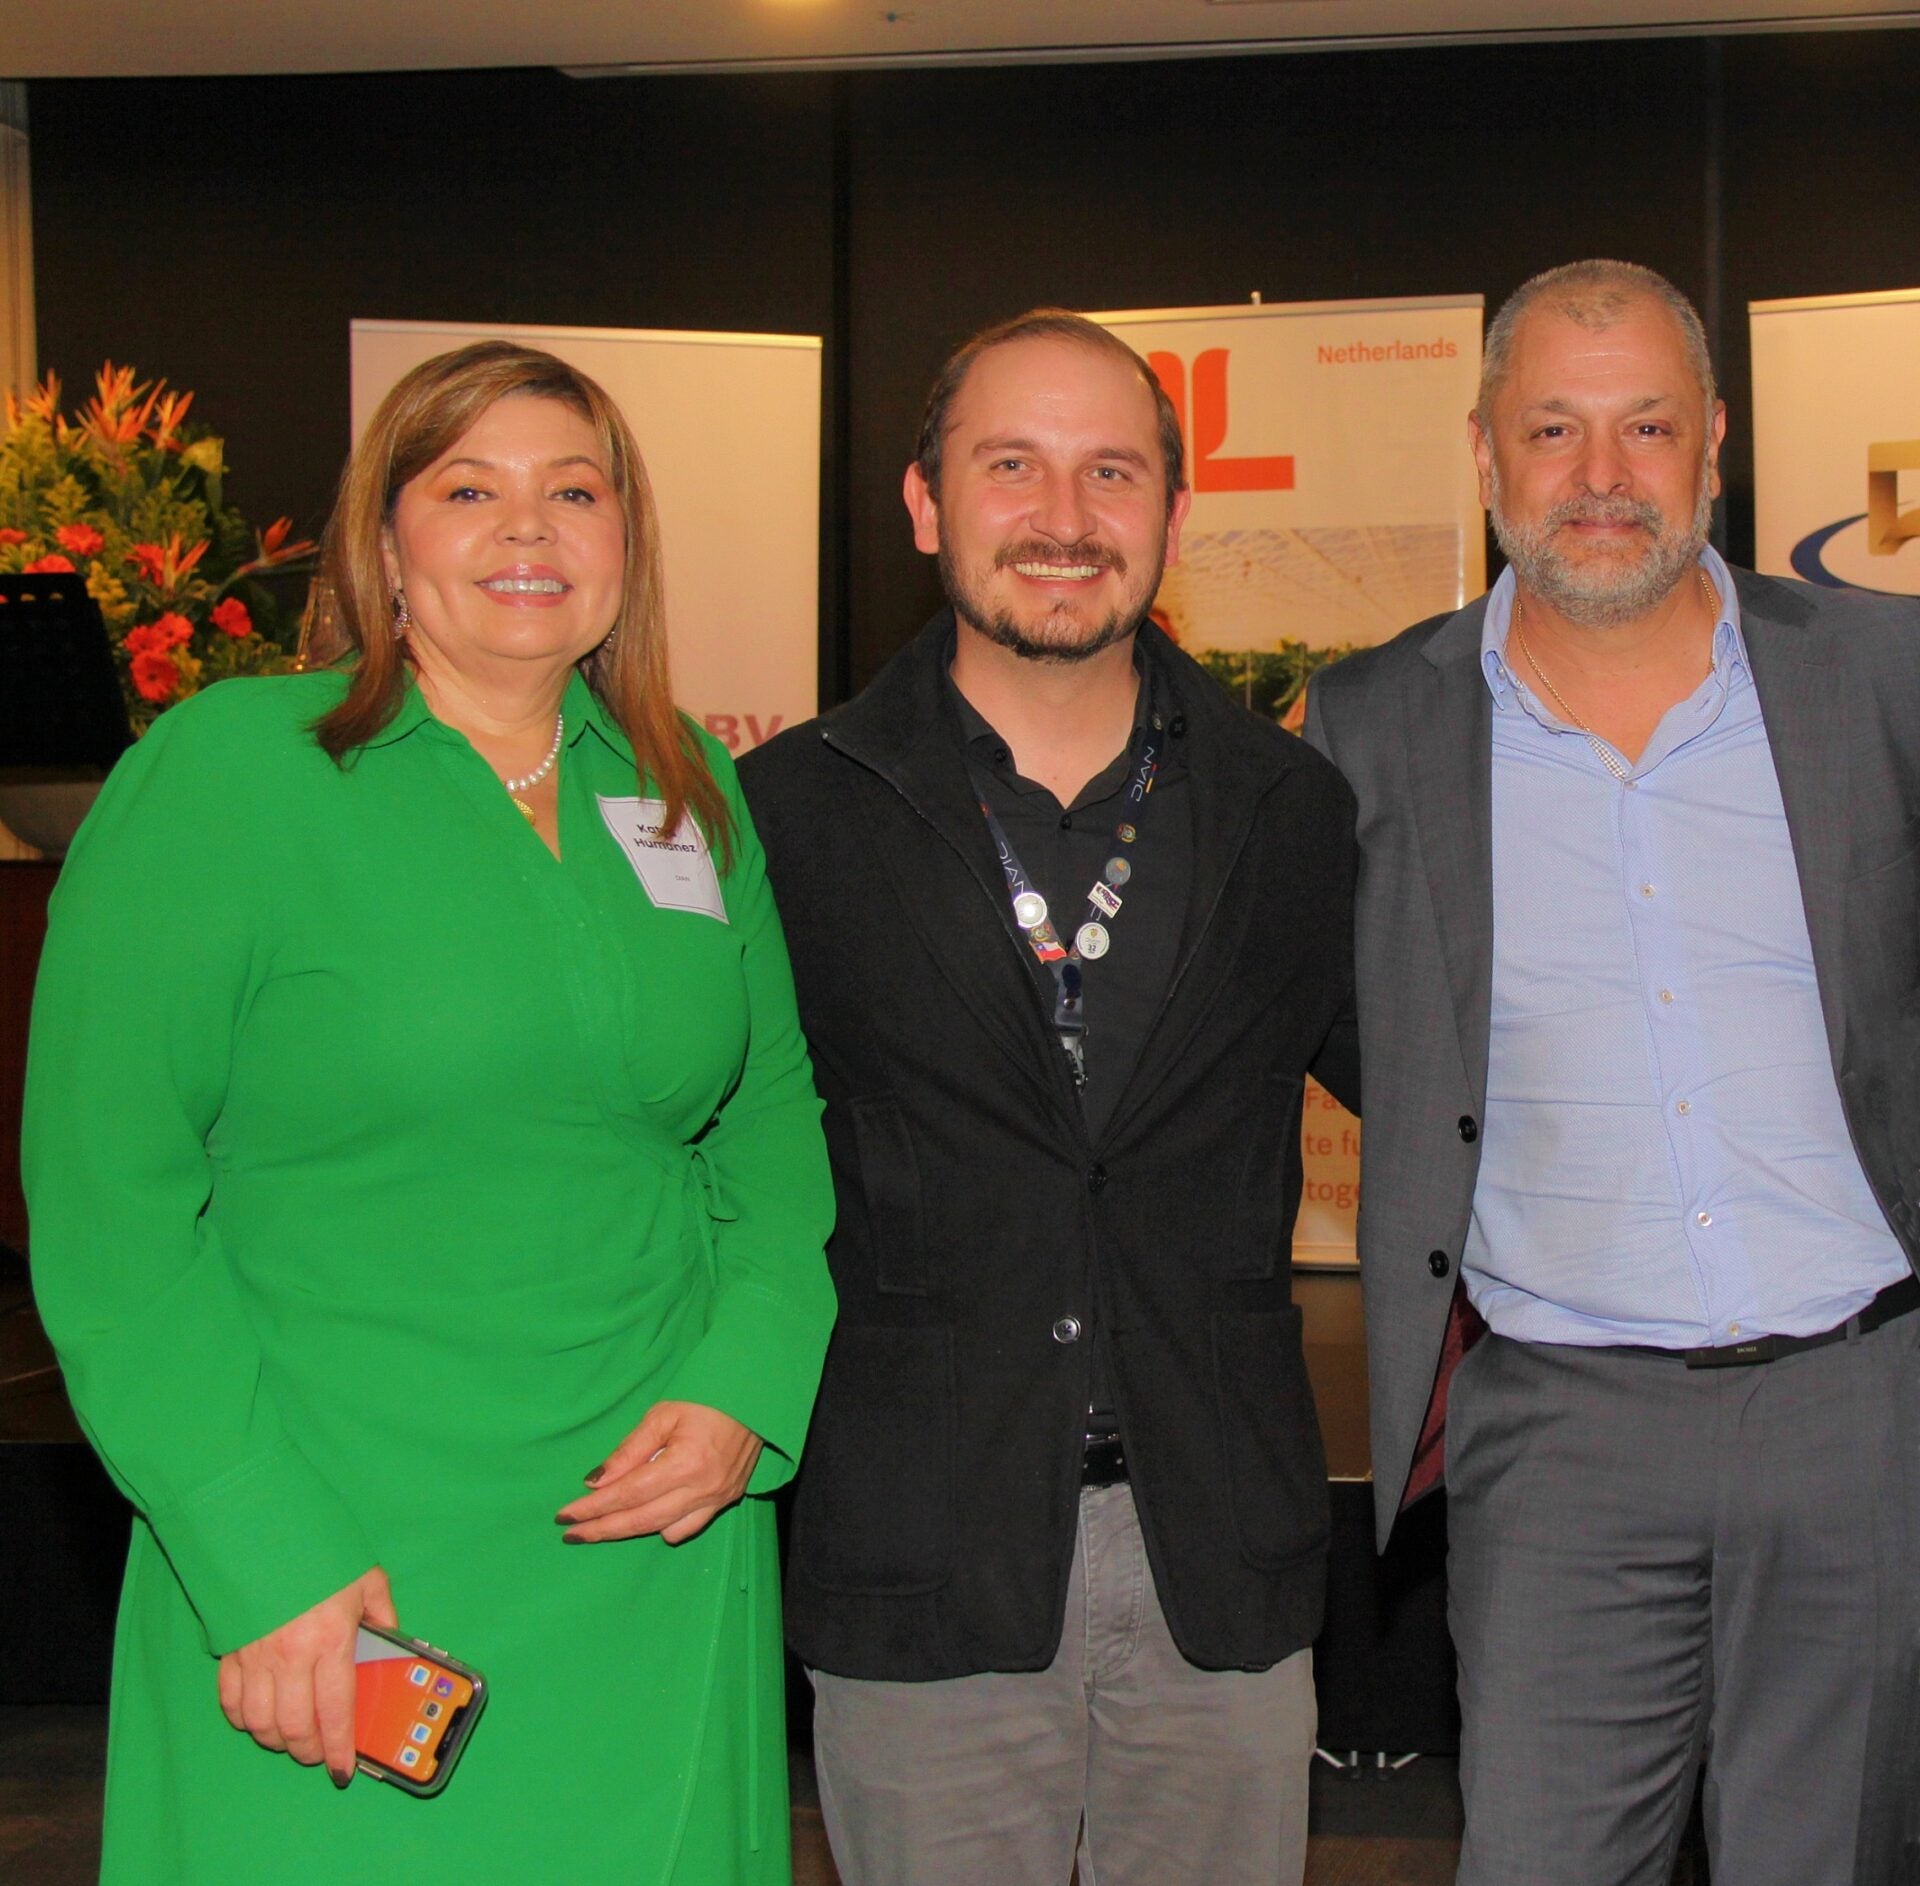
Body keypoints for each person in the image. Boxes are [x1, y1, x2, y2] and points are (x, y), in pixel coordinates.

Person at [23, 340, 837, 1885]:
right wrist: (257, 1550)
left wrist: (749, 1385)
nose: (527, 532)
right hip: (338, 1561)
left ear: (625, 543)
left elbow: (773, 1133)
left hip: (651, 1552)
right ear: (385, 543)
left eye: (573, 493)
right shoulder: (230, 776)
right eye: (470, 489)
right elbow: (107, 1199)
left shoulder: (683, 797)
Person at [1304, 259, 1920, 1886]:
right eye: (1554, 429)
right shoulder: (1368, 728)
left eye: (1644, 426)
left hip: (1863, 1409)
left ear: (1713, 441)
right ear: (1487, 450)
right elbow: (1361, 1032)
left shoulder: (1886, 677)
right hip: (1558, 1431)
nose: (1600, 476)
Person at [739, 310, 1359, 1886]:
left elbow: (1441, 1079)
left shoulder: (1292, 808)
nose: (1065, 517)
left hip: (1219, 1553)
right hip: (922, 1552)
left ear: (1172, 513)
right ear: (926, 502)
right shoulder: (789, 813)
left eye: (1111, 471)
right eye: (1010, 465)